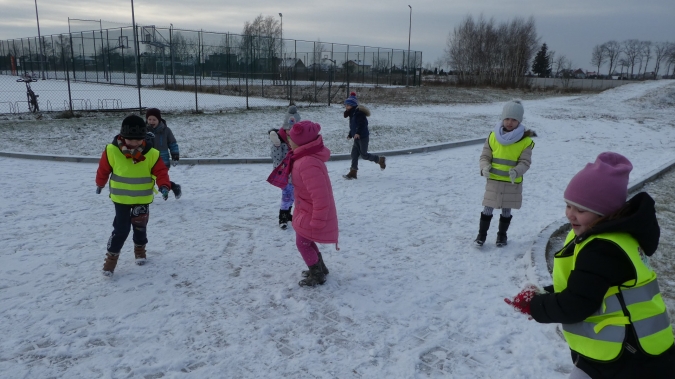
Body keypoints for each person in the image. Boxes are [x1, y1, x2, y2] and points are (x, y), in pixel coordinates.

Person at [504, 152, 675, 379]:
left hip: (631, 357)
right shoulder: (610, 238)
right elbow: (589, 286)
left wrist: (535, 305)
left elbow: (576, 304)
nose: (570, 215)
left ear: (604, 212)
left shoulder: (602, 250)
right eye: (568, 206)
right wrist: (545, 293)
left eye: (580, 210)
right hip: (627, 347)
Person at [95, 114, 172, 277]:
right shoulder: (112, 151)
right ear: (122, 137)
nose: (135, 143)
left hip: (142, 198)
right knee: (121, 230)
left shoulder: (151, 153)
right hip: (121, 199)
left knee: (140, 226)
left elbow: (161, 171)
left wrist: (164, 186)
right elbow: (103, 169)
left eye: (138, 140)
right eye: (131, 140)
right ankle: (111, 259)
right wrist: (100, 183)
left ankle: (140, 249)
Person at [267, 120, 338, 286]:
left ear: (300, 142)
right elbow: (285, 135)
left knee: (302, 243)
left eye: (291, 139)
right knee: (307, 240)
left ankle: (317, 274)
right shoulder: (302, 156)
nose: (288, 142)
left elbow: (321, 196)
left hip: (312, 211)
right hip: (305, 208)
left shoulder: (307, 164)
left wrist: (319, 218)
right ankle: (320, 267)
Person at [475, 99, 535, 247]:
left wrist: (517, 171)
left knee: (506, 210)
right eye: (507, 118)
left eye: (514, 119)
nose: (509, 122)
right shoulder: (493, 136)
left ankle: (502, 236)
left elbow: (525, 162)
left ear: (519, 121)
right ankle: (481, 235)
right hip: (494, 180)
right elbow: (485, 156)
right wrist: (484, 167)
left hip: (511, 182)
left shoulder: (525, 141)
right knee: (488, 208)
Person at [268, 105, 301, 229]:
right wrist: (276, 145)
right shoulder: (281, 141)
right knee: (287, 195)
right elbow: (276, 159)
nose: (290, 132)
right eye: (288, 129)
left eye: (293, 129)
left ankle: (287, 214)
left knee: (293, 195)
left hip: (296, 174)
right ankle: (283, 217)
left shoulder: (300, 142)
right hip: (285, 174)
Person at [342, 92, 386, 179]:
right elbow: (353, 126)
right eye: (345, 105)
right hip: (356, 137)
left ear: (353, 105)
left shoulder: (359, 113)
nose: (346, 107)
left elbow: (362, 124)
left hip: (363, 137)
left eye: (348, 105)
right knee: (354, 154)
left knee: (364, 155)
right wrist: (351, 134)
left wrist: (358, 133)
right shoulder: (352, 114)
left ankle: (380, 160)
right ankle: (353, 172)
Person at [145, 108, 182, 199]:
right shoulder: (144, 131)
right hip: (148, 160)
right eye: (149, 119)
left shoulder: (166, 131)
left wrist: (175, 155)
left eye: (154, 119)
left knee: (161, 177)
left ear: (159, 120)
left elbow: (172, 143)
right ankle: (171, 187)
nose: (151, 121)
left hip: (162, 159)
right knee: (148, 178)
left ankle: (171, 187)